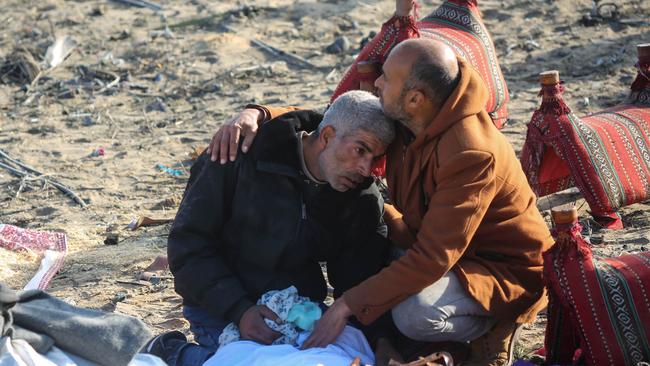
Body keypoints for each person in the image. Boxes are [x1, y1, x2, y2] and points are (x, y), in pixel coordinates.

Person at [209, 39, 554, 366]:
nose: (376, 84)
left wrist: (345, 305)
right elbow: (336, 120)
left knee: (412, 314)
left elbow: (433, 258)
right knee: (373, 255)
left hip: (499, 270)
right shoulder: (413, 113)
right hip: (438, 246)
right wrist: (259, 113)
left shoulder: (470, 153)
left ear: (415, 99)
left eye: (386, 79)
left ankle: (493, 326)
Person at [146, 91, 395, 366]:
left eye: (374, 158)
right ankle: (175, 352)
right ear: (326, 137)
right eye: (360, 150)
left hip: (298, 309)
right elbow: (188, 246)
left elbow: (361, 277)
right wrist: (239, 310)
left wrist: (380, 340)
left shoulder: (359, 195)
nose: (365, 168)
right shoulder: (239, 153)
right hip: (220, 305)